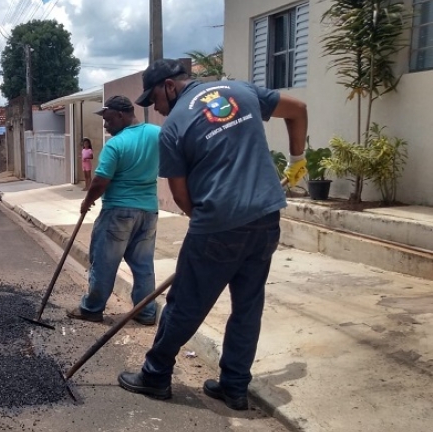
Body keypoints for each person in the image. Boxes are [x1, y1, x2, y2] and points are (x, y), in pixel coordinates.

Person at [117, 59, 308, 409]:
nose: (155, 109)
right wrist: (298, 160)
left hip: (218, 224)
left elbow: (180, 195)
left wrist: (207, 224)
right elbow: (298, 109)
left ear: (170, 87)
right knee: (248, 307)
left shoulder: (174, 126)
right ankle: (234, 386)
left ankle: (156, 374)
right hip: (266, 218)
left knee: (185, 306)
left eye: (154, 99)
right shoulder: (241, 90)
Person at [66, 95, 161, 326]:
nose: (106, 126)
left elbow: (100, 181)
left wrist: (87, 201)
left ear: (121, 114)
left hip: (118, 211)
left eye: (108, 120)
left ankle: (92, 309)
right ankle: (146, 312)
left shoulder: (116, 144)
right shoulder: (157, 133)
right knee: (143, 264)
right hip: (148, 211)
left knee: (104, 262)